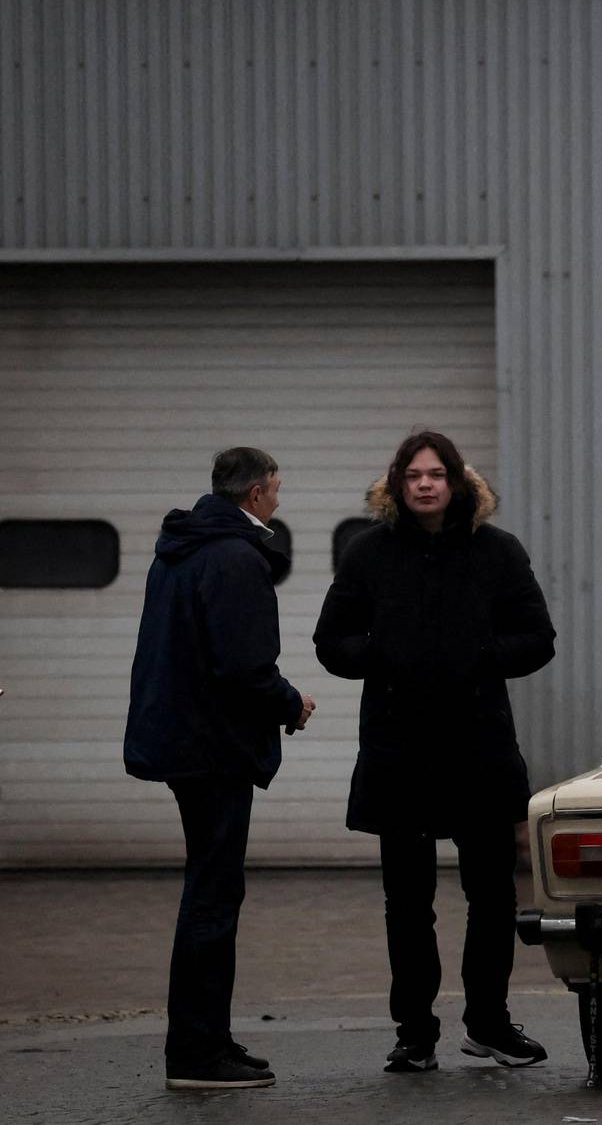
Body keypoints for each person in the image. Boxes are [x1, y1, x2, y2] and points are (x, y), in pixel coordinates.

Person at [314, 431, 555, 1074]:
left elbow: (538, 638)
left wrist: (479, 657)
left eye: (436, 474)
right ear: (397, 485)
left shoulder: (498, 553)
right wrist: (385, 657)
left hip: (478, 747)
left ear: (457, 483)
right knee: (407, 903)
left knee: (493, 896)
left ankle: (489, 1024)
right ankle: (414, 1033)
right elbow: (330, 640)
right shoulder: (369, 555)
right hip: (400, 751)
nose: (425, 484)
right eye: (413, 475)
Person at [125, 447, 317, 1092]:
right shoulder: (234, 557)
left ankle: (206, 1036)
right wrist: (292, 702)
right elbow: (243, 665)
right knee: (212, 898)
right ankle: (197, 1056)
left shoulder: (181, 549)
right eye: (279, 490)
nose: (281, 501)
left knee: (210, 892)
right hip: (214, 749)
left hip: (186, 742)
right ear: (258, 493)